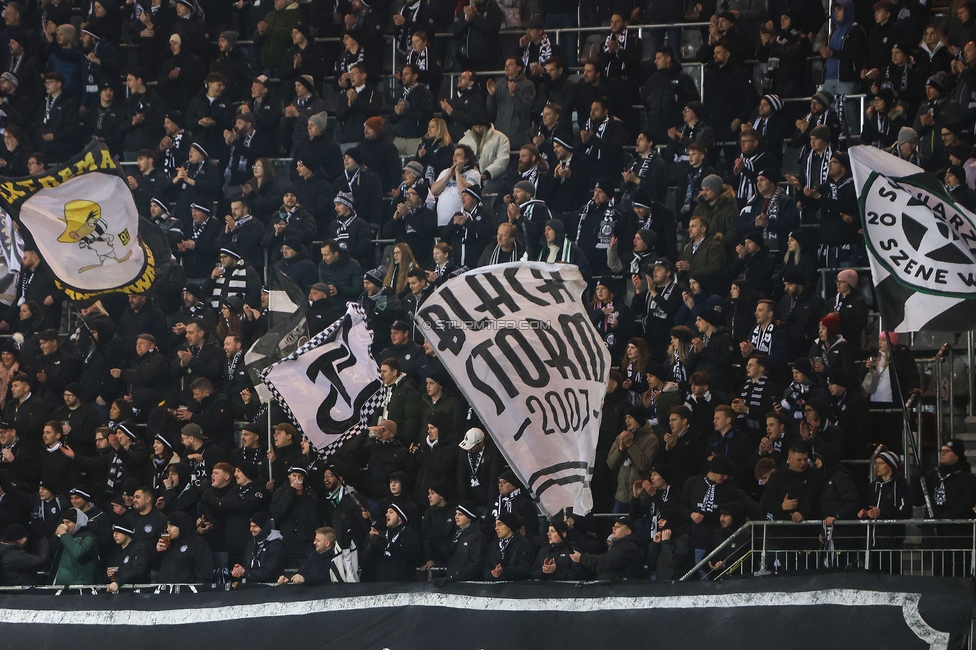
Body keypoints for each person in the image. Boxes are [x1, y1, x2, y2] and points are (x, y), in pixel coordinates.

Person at [569, 516, 643, 580]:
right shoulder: (621, 545)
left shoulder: (628, 546)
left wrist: (582, 558)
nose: (613, 528)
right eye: (614, 526)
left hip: (624, 589)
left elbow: (606, 562)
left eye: (618, 526)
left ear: (628, 531)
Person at [364, 503, 422, 582]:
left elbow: (410, 554)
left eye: (391, 512)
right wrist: (371, 545)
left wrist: (386, 544)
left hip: (403, 585)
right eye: (387, 512)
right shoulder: (383, 535)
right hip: (381, 585)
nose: (387, 514)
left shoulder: (410, 534)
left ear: (400, 517)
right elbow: (365, 560)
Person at [155, 510, 214, 583]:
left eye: (172, 526)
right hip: (165, 592)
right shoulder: (167, 543)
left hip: (187, 592)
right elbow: (155, 568)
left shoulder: (198, 544)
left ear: (182, 526)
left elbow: (204, 574)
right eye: (167, 526)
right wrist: (157, 552)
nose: (168, 529)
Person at [232, 511, 285, 582]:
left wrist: (245, 572)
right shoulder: (251, 544)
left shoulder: (276, 546)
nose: (251, 529)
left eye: (255, 526)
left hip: (270, 589)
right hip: (250, 588)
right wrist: (239, 569)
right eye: (251, 526)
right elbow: (246, 566)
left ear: (264, 528)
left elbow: (270, 572)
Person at [53, 507, 98, 585]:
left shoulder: (89, 538)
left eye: (68, 522)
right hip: (62, 583)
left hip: (80, 583)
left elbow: (79, 554)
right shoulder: (65, 537)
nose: (65, 525)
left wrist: (64, 535)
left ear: (77, 523)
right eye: (64, 522)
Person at [105, 522, 150, 592]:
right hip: (118, 593)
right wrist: (110, 575)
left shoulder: (139, 548)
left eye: (118, 532)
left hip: (136, 593)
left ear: (127, 533)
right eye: (114, 532)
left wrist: (118, 582)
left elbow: (137, 571)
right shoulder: (115, 551)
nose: (115, 535)